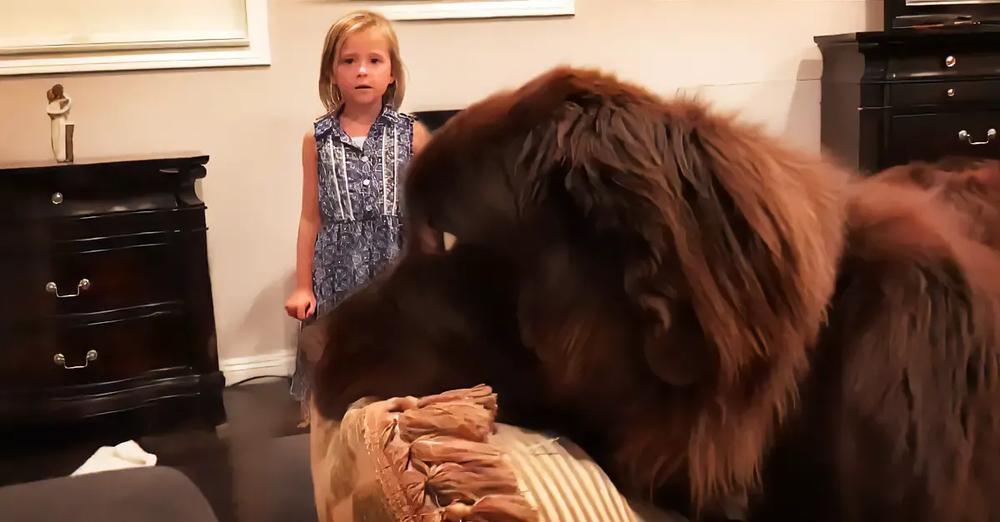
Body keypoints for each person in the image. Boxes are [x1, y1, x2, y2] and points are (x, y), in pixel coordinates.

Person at [284, 9, 430, 425]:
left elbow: (425, 214)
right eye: (349, 61)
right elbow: (310, 218)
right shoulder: (317, 139)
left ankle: (394, 433)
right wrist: (301, 286)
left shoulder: (411, 134)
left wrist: (431, 271)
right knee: (335, 355)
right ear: (332, 73)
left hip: (394, 265)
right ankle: (332, 433)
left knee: (394, 353)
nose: (361, 71)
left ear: (392, 74)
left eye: (374, 61)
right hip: (336, 270)